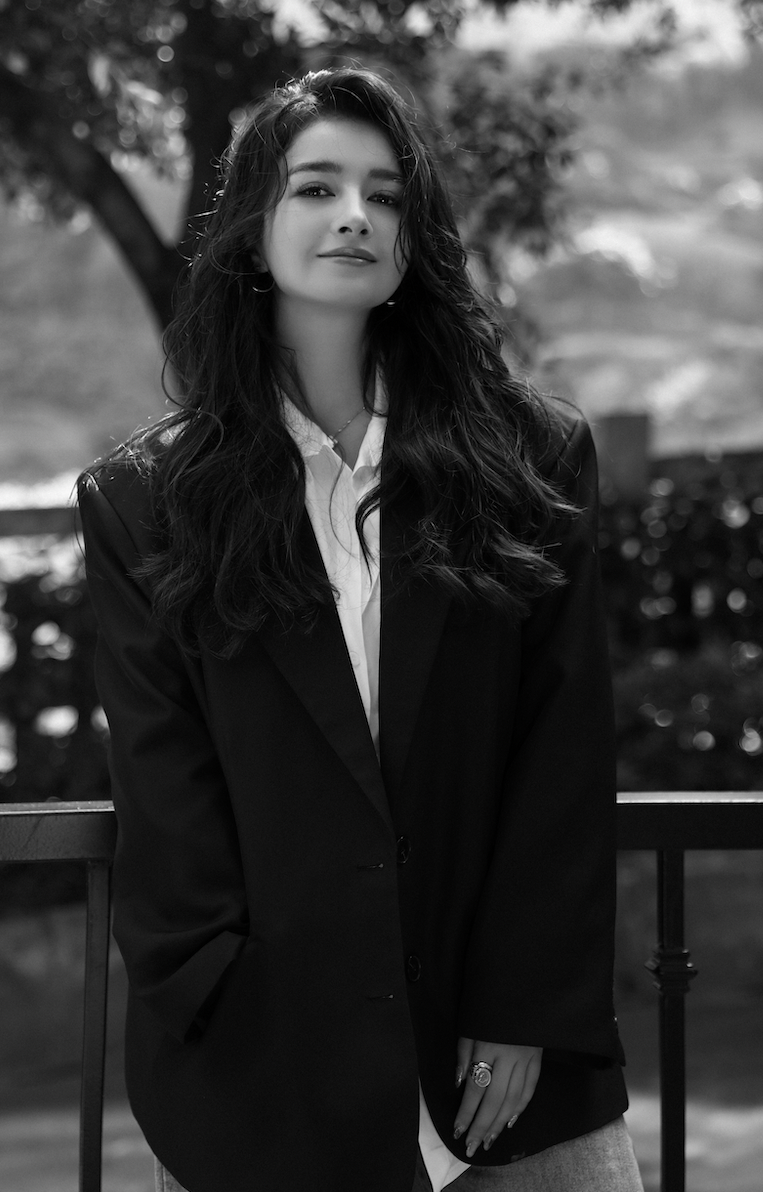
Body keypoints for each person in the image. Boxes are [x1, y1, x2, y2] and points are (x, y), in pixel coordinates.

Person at [78, 67, 644, 1192]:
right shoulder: (145, 502)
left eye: (384, 196)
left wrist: (522, 1004)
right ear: (251, 229)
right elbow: (166, 793)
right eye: (315, 188)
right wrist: (224, 1010)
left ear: (412, 236)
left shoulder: (530, 462)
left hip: (513, 1089)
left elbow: (562, 756)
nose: (353, 215)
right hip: (265, 1088)